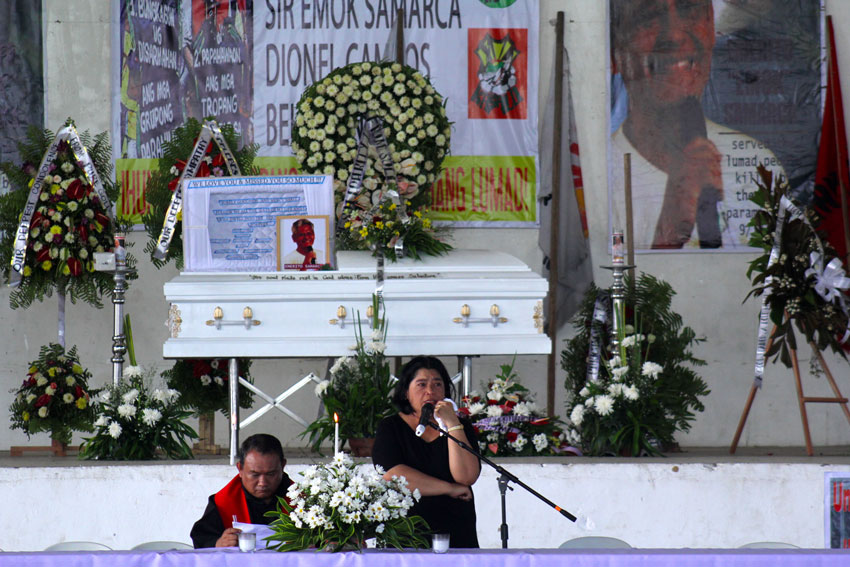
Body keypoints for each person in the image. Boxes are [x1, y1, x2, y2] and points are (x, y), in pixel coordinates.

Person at [609, 0, 783, 250]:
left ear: (712, 29)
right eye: (648, 17)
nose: (674, 34)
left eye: (689, 8)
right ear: (616, 52)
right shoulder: (600, 179)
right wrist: (672, 222)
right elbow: (616, 285)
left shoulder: (758, 164)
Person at [371, 356, 481, 548]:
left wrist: (452, 424)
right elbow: (394, 476)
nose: (430, 391)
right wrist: (449, 489)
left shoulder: (460, 427)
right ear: (406, 392)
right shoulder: (391, 427)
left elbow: (466, 477)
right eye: (421, 384)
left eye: (437, 384)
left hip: (456, 529)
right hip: (407, 530)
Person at [190, 433, 293, 548]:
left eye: (270, 474)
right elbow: (201, 538)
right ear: (240, 468)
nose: (262, 482)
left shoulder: (302, 501)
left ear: (283, 466)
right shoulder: (223, 502)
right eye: (255, 474)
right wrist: (218, 543)